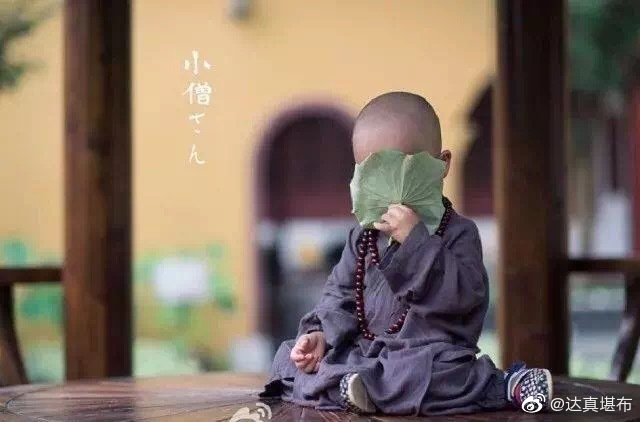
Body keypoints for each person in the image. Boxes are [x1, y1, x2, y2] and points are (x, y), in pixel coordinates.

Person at [260, 91, 552, 416]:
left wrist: (416, 244)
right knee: (289, 357)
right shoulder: (362, 237)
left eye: (397, 170)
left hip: (428, 355)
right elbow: (339, 295)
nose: (386, 189)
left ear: (442, 165)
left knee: (429, 372)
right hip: (368, 353)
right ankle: (359, 387)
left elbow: (465, 299)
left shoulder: (459, 233)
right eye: (371, 174)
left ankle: (501, 386)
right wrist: (320, 335)